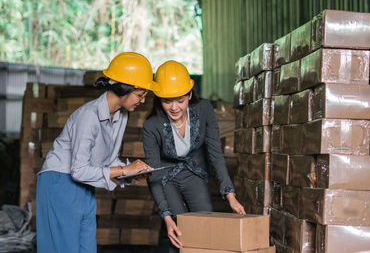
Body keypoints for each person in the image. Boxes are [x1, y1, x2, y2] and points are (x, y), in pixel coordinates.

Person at [36, 52, 155, 252]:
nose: (142, 101)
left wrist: (132, 173)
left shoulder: (121, 116)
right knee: (64, 248)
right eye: (140, 95)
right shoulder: (88, 116)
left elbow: (107, 160)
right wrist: (124, 170)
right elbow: (79, 170)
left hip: (84, 187)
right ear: (124, 88)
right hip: (60, 182)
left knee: (87, 248)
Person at [143, 60, 246, 252]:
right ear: (158, 98)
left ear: (190, 94)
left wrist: (230, 195)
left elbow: (215, 153)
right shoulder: (151, 126)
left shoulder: (204, 109)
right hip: (166, 179)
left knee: (205, 226)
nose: (174, 107)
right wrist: (165, 215)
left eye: (180, 100)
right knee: (178, 231)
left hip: (195, 174)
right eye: (167, 101)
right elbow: (153, 174)